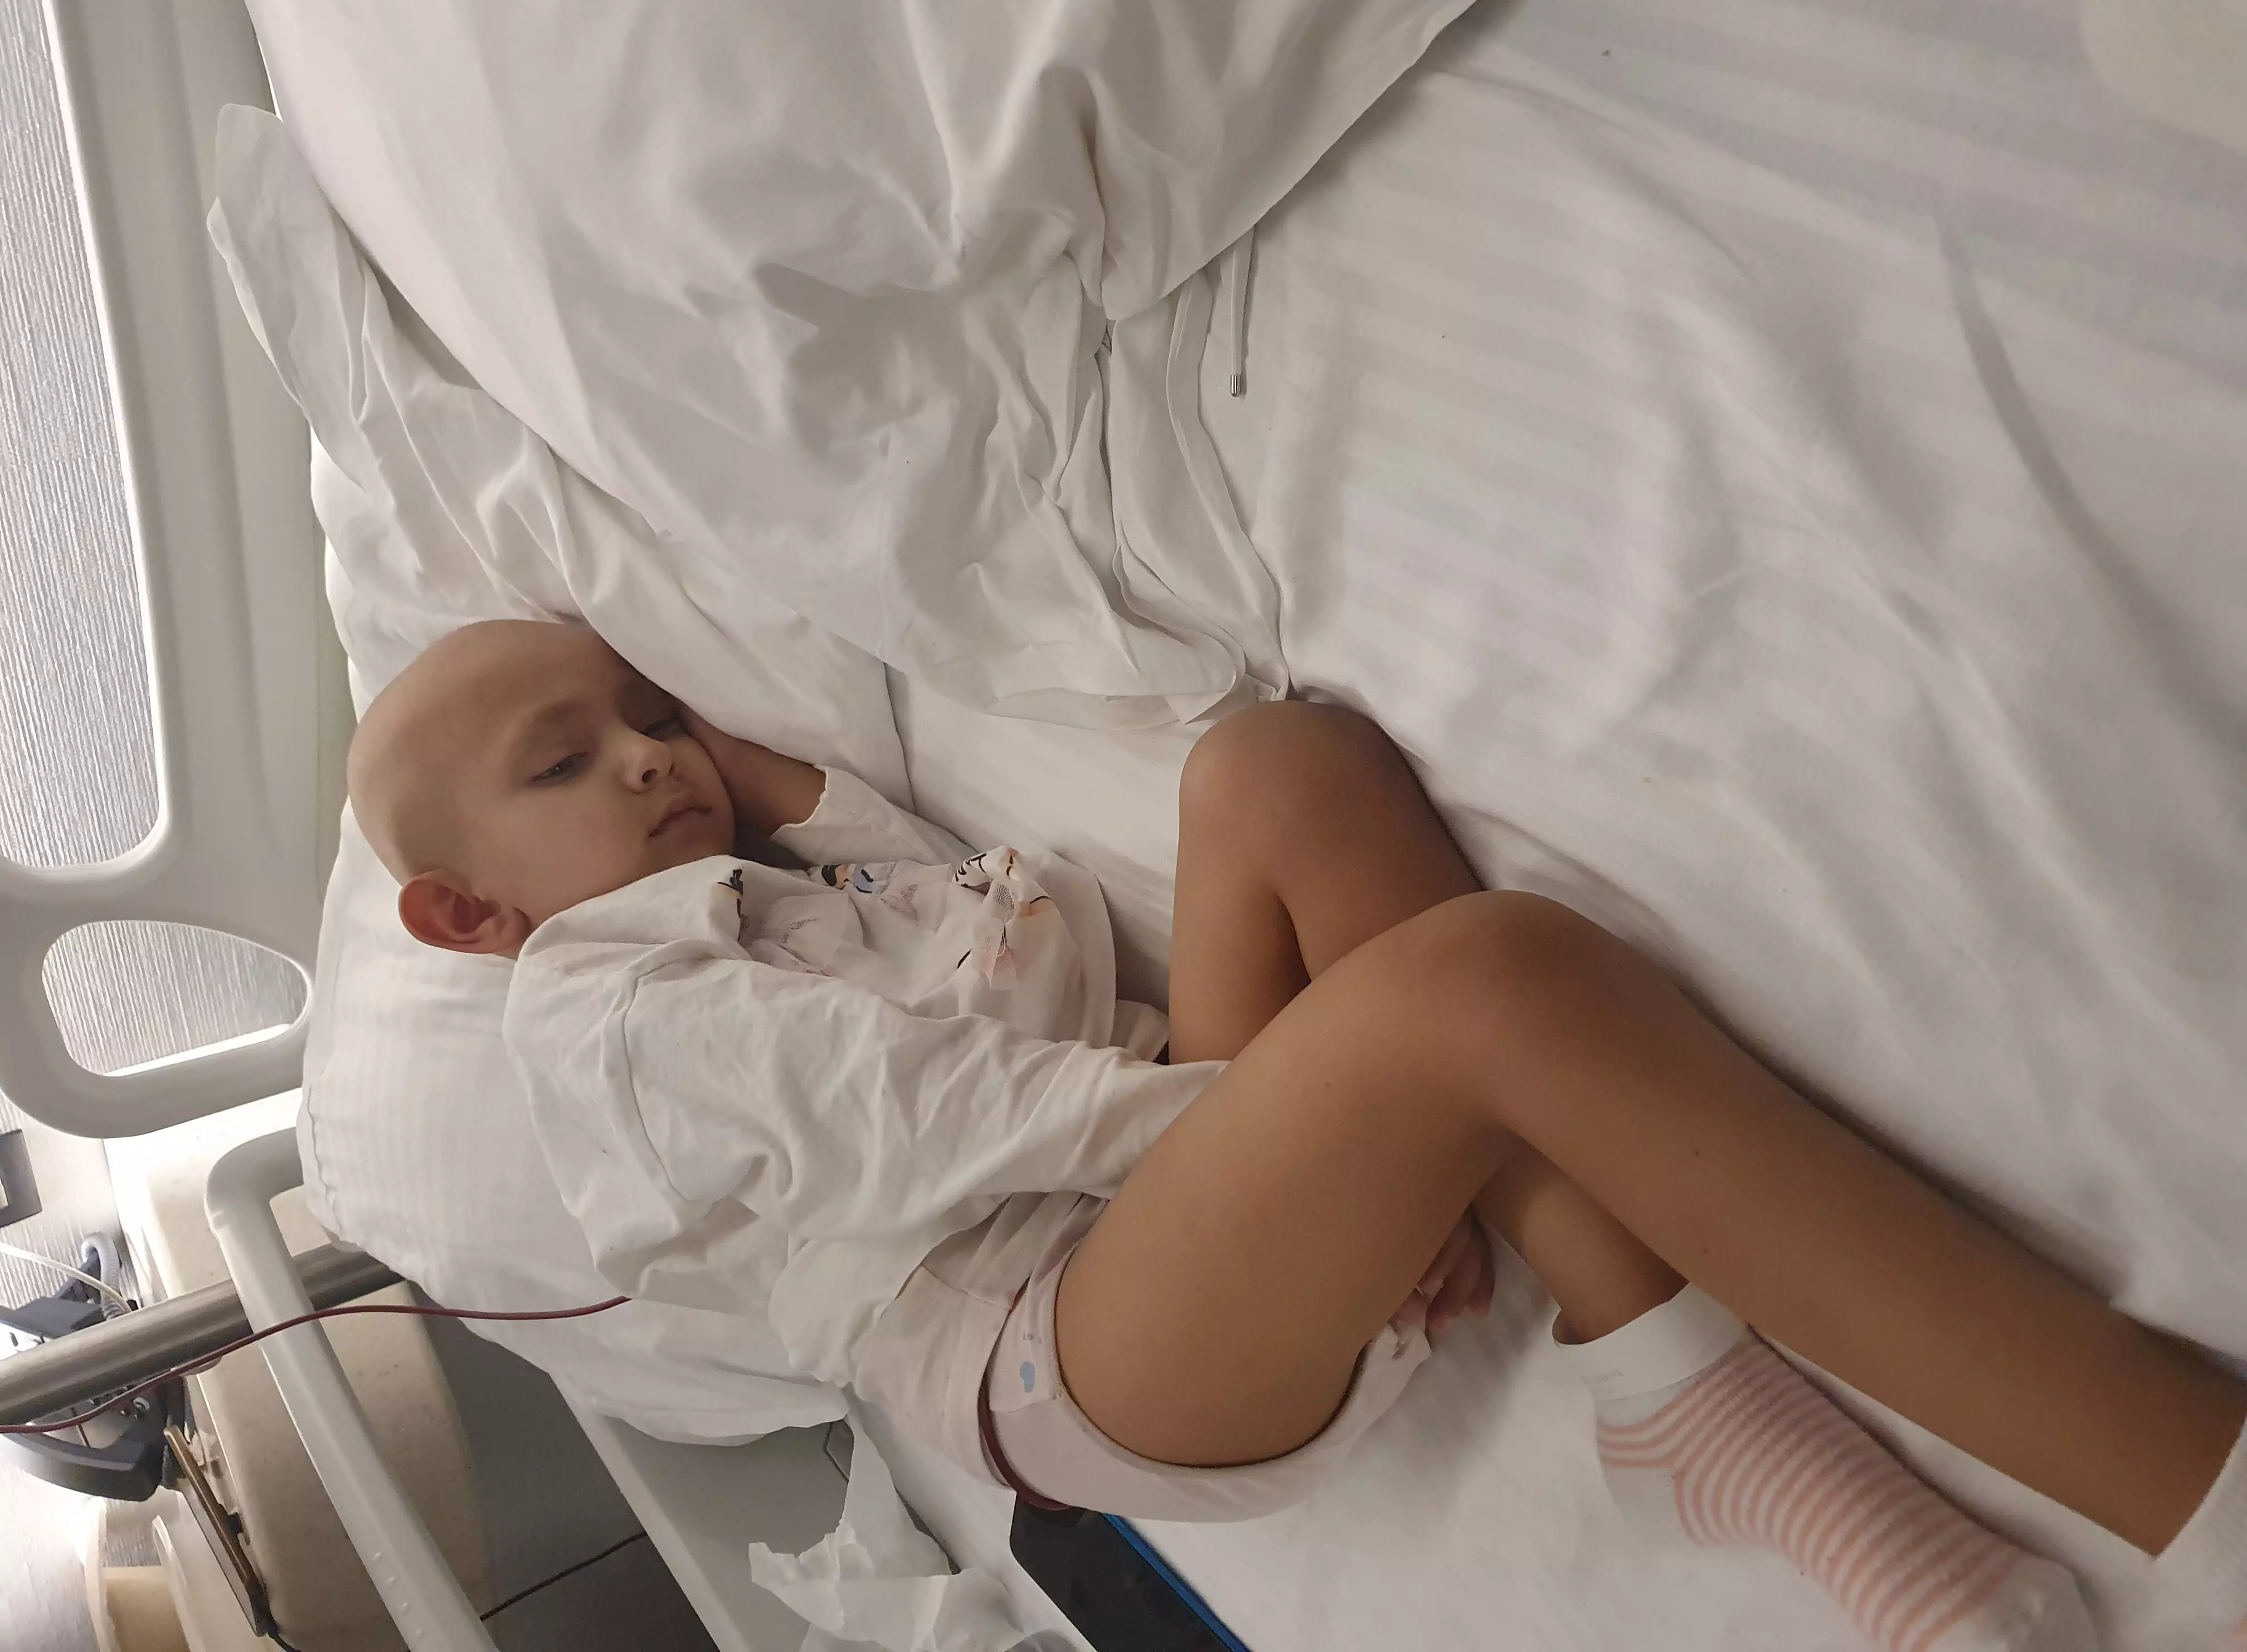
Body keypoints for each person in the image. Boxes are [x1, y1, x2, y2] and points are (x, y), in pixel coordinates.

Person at [349, 619, 2247, 1651]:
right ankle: (2204, 1497)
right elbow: (937, 1112)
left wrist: (751, 769)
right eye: (568, 761)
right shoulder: (611, 1012)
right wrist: (1278, 1139)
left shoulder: (748, 887)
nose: (648, 754)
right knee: (1481, 992)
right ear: (464, 913)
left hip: (1143, 1192)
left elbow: (918, 893)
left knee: (1281, 768)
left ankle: (1676, 1384)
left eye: (646, 713)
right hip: (1059, 1347)